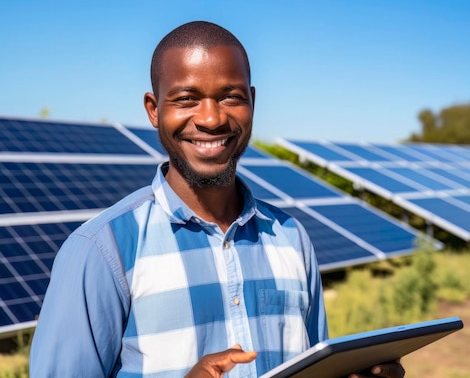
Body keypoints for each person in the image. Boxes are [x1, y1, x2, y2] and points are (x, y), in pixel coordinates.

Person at [29, 21, 405, 378]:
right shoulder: (101, 251)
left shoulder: (291, 238)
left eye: (231, 96)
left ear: (252, 102)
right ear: (154, 109)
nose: (211, 118)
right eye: (187, 98)